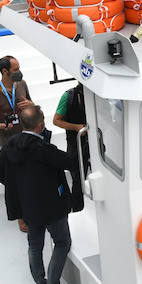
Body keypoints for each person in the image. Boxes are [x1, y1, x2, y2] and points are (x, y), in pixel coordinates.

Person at [0, 104, 76, 284]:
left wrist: (16, 184)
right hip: (52, 206)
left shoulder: (11, 144)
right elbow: (69, 162)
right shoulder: (43, 148)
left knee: (35, 246)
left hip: (27, 207)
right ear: (40, 125)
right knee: (62, 242)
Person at [52, 81, 89, 213]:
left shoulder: (98, 93)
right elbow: (56, 120)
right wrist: (76, 127)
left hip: (97, 143)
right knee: (78, 180)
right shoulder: (69, 96)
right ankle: (77, 210)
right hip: (76, 144)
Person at [0, 55, 31, 148]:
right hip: (7, 143)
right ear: (5, 71)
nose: (19, 72)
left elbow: (31, 104)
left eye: (19, 68)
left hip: (26, 138)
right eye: (15, 70)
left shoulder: (22, 84)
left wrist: (31, 105)